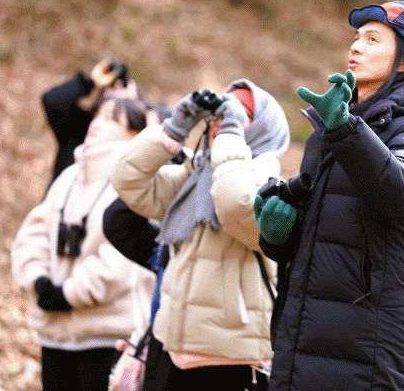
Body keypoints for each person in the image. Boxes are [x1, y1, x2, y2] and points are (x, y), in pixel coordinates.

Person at [253, 1, 404, 390]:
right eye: (357, 37)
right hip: (298, 348)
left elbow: (403, 190)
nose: (356, 46)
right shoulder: (329, 132)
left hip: (368, 358)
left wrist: (345, 129)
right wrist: (278, 234)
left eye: (373, 39)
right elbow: (320, 240)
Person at [111, 80, 290, 391]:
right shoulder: (195, 176)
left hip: (227, 358)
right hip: (170, 343)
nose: (222, 121)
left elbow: (235, 203)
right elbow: (128, 181)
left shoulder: (270, 185)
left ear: (263, 128)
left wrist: (230, 135)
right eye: (220, 113)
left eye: (240, 114)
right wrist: (174, 129)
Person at [11, 97, 156, 391]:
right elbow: (34, 233)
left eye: (112, 119)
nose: (97, 124)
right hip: (55, 334)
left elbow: (122, 259)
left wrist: (69, 294)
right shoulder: (69, 177)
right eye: (98, 116)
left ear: (135, 135)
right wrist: (39, 281)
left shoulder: (138, 183)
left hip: (107, 338)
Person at [41, 58, 167, 186]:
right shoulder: (80, 130)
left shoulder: (139, 155)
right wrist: (91, 82)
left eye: (127, 102)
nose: (117, 101)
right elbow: (53, 101)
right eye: (102, 114)